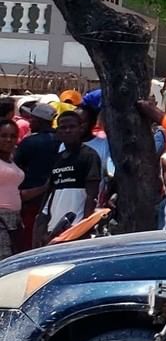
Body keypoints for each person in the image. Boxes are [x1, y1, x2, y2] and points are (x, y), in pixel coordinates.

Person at [36, 110, 102, 246]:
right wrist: (41, 228)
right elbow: (49, 196)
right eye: (63, 127)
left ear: (80, 129)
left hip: (75, 229)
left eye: (72, 127)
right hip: (53, 230)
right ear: (58, 132)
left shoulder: (89, 156)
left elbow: (92, 196)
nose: (67, 131)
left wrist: (83, 227)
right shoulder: (57, 159)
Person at [14, 103, 56, 252]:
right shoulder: (62, 140)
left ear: (39, 120)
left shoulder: (29, 143)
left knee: (29, 242)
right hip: (56, 201)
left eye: (32, 119)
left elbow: (16, 168)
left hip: (31, 201)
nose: (30, 122)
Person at [0, 119, 26, 260]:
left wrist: (45, 187)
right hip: (1, 218)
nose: (8, 140)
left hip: (15, 219)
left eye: (13, 136)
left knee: (14, 260)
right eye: (3, 136)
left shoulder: (11, 161)